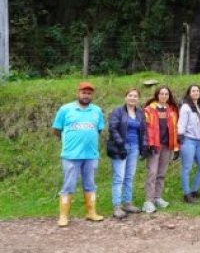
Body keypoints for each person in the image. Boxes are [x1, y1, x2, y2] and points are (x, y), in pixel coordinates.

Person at [52, 82, 105, 227]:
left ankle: (91, 212)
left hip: (91, 155)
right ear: (78, 93)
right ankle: (63, 216)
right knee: (69, 185)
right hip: (71, 155)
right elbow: (57, 129)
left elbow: (99, 130)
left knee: (90, 184)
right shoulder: (65, 109)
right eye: (84, 92)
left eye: (89, 93)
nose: (86, 95)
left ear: (92, 95)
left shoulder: (97, 111)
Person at [107, 88, 147, 219]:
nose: (133, 98)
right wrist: (120, 144)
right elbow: (113, 128)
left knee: (129, 176)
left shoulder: (140, 113)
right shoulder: (117, 111)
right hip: (120, 148)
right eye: (130, 95)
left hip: (134, 147)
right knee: (119, 177)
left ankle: (127, 203)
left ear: (138, 99)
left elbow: (143, 131)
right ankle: (117, 206)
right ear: (125, 97)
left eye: (135, 96)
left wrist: (144, 146)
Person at [142, 86, 179, 213]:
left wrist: (175, 146)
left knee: (162, 173)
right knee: (152, 172)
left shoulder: (172, 111)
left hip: (167, 145)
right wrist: (148, 144)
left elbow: (174, 130)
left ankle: (157, 197)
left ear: (169, 96)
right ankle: (148, 201)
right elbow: (145, 129)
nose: (164, 96)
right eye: (161, 93)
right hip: (154, 145)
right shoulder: (148, 110)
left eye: (166, 94)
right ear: (157, 95)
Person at [178, 85, 200, 204]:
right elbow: (181, 123)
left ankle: (194, 190)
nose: (196, 92)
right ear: (189, 93)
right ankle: (186, 194)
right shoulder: (186, 107)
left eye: (197, 91)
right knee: (187, 168)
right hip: (188, 140)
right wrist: (180, 138)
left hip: (199, 141)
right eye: (193, 91)